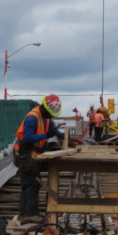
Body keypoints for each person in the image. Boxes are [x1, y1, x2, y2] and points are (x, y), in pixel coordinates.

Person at [14, 94, 63, 225]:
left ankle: (24, 214)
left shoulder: (46, 117)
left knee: (28, 185)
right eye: (50, 113)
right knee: (32, 184)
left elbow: (55, 131)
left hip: (32, 154)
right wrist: (47, 135)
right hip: (26, 154)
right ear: (44, 108)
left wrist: (63, 136)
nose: (52, 116)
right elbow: (27, 138)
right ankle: (31, 215)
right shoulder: (33, 117)